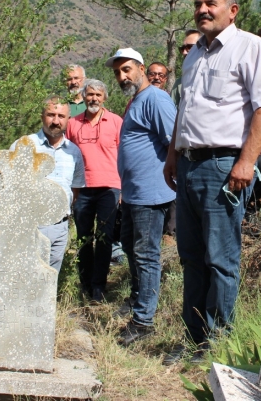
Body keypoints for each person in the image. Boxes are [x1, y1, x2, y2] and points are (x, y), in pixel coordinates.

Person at [162, 0, 261, 364]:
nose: (202, 9)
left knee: (221, 259)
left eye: (210, 3)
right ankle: (193, 339)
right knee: (191, 258)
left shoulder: (250, 47)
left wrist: (246, 163)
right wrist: (171, 157)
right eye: (197, 4)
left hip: (223, 165)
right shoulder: (193, 55)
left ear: (232, 10)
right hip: (188, 164)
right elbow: (185, 112)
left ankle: (217, 343)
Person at [108, 49, 177, 346]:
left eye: (127, 69)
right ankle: (139, 298)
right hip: (133, 193)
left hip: (151, 192)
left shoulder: (156, 99)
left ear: (141, 68)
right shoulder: (135, 101)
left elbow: (174, 139)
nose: (123, 76)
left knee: (146, 254)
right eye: (118, 73)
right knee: (129, 247)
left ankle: (143, 320)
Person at [66, 79, 123, 302]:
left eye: (98, 95)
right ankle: (86, 283)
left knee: (105, 238)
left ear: (105, 98)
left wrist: (124, 189)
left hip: (110, 187)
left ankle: (99, 286)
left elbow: (125, 156)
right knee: (83, 238)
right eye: (90, 94)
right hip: (82, 188)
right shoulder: (73, 123)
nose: (94, 99)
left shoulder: (116, 121)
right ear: (84, 96)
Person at [16, 99, 86, 273]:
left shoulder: (74, 152)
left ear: (68, 119)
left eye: (61, 116)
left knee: (50, 279)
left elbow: (75, 190)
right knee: (27, 276)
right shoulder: (25, 146)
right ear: (42, 117)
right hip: (30, 225)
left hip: (59, 227)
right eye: (51, 115)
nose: (56, 121)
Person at [171, 29, 201, 106]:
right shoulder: (179, 84)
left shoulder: (213, 78)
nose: (184, 52)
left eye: (189, 47)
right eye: (182, 48)